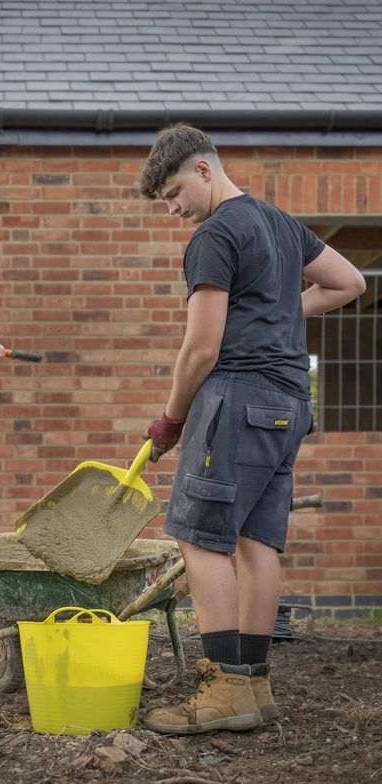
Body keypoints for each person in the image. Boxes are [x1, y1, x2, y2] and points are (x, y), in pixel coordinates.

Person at [139, 124, 365, 735]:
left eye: (175, 191)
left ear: (205, 170)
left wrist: (172, 419)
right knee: (257, 543)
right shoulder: (283, 225)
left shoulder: (214, 235)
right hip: (290, 403)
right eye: (165, 201)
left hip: (236, 399)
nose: (174, 209)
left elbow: (199, 350)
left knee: (199, 535)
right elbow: (350, 283)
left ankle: (224, 690)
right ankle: (255, 684)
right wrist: (284, 310)